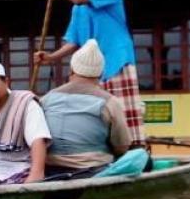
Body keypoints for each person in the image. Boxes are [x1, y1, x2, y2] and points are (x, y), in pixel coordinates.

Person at [35, 0, 145, 145]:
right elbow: (74, 42)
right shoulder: (78, 9)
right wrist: (51, 57)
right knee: (97, 114)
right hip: (92, 71)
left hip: (116, 61)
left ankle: (136, 149)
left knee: (126, 113)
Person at [42, 39, 134, 177]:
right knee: (140, 156)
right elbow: (122, 146)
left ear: (72, 69)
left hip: (49, 168)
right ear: (101, 73)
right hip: (92, 169)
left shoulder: (47, 98)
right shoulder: (110, 102)